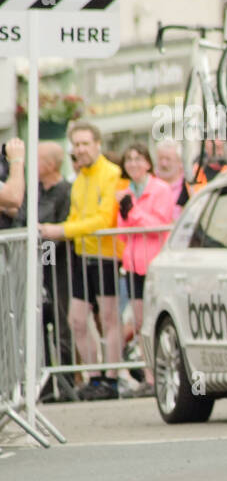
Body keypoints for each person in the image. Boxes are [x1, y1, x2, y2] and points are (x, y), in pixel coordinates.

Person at [37, 121, 125, 401]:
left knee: (109, 317)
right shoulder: (80, 180)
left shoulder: (111, 174)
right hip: (82, 254)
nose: (81, 149)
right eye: (77, 144)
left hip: (107, 255)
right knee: (76, 319)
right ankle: (94, 377)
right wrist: (59, 230)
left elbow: (103, 218)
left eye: (86, 143)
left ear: (98, 144)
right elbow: (76, 217)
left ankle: (111, 380)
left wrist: (61, 231)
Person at [4, 141, 75, 399]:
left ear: (50, 164)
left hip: (57, 263)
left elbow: (60, 225)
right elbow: (20, 215)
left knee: (60, 317)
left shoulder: (66, 190)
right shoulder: (34, 190)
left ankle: (67, 379)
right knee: (38, 319)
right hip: (32, 262)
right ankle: (42, 382)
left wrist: (43, 230)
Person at [117, 143, 177, 394]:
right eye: (129, 159)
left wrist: (134, 212)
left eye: (138, 159)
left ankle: (166, 371)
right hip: (133, 264)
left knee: (158, 320)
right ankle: (150, 377)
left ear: (147, 163)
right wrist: (126, 211)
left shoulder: (160, 190)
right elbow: (121, 232)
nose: (133, 164)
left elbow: (160, 224)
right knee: (140, 322)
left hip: (154, 263)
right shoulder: (124, 193)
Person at [152, 139, 188, 220]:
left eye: (168, 159)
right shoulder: (149, 183)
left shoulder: (188, 185)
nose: (163, 164)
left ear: (180, 162)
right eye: (160, 159)